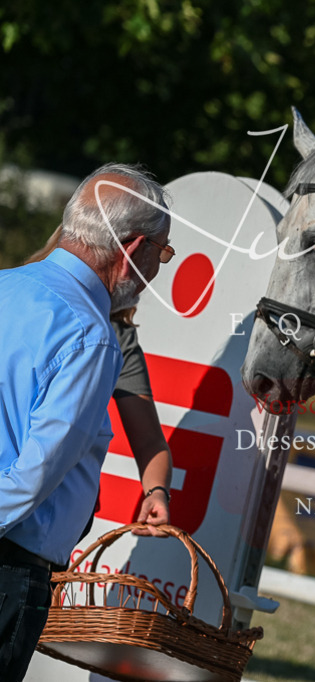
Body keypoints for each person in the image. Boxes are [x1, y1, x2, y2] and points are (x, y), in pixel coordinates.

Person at [0, 163, 171, 680]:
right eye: (163, 252)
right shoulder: (92, 336)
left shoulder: (6, 285)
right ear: (133, 249)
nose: (160, 265)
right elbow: (36, 475)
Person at [24, 231, 175, 538]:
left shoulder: (116, 332)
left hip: (52, 527)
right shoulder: (16, 295)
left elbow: (149, 440)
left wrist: (156, 492)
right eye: (157, 252)